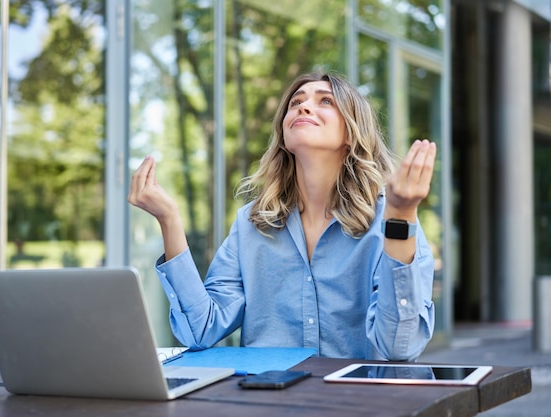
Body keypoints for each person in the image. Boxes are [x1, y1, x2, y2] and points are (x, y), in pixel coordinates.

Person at [128, 71, 437, 360]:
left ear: (351, 132)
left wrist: (401, 216)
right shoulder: (252, 223)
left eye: (325, 101)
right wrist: (169, 220)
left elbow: (400, 346)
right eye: (296, 103)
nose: (303, 108)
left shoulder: (389, 219)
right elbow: (201, 329)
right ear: (284, 135)